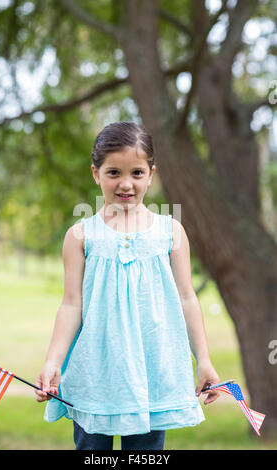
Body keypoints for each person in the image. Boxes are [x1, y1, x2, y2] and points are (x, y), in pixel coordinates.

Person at [34, 121, 220, 450]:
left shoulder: (171, 232)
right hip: (95, 376)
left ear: (151, 174)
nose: (126, 184)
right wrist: (52, 360)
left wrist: (203, 358)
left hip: (152, 374)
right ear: (96, 173)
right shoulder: (81, 236)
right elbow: (71, 304)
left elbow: (187, 299)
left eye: (136, 173)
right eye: (113, 173)